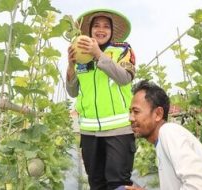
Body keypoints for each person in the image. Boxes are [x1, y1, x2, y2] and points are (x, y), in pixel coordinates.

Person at [66, 9, 136, 190]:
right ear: (89, 30)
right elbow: (72, 92)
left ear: (112, 31)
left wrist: (98, 54)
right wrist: (71, 65)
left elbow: (124, 78)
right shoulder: (81, 54)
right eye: (96, 25)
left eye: (106, 26)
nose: (101, 30)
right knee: (96, 183)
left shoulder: (123, 50)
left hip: (118, 130)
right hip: (89, 132)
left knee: (118, 184)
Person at [126, 80, 202, 190]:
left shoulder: (169, 132)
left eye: (136, 111)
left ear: (158, 114)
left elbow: (199, 185)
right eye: (130, 112)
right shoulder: (162, 141)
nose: (131, 118)